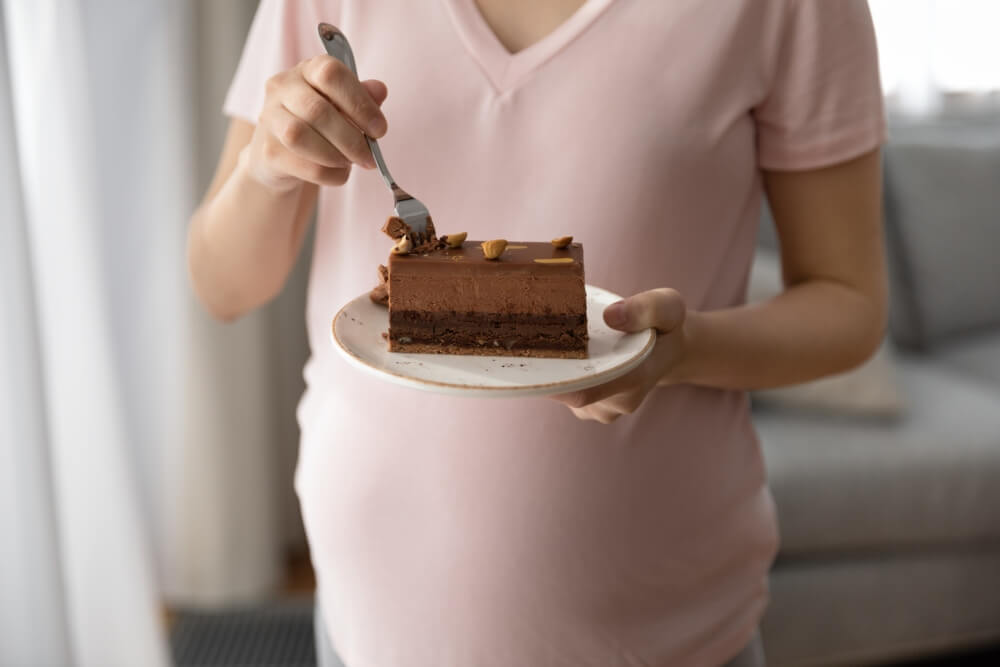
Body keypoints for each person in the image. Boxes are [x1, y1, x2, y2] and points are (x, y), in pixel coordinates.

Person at [187, 0, 886, 664]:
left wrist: (685, 349)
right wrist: (265, 169)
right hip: (364, 623)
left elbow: (848, 304)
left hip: (661, 633)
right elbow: (221, 285)